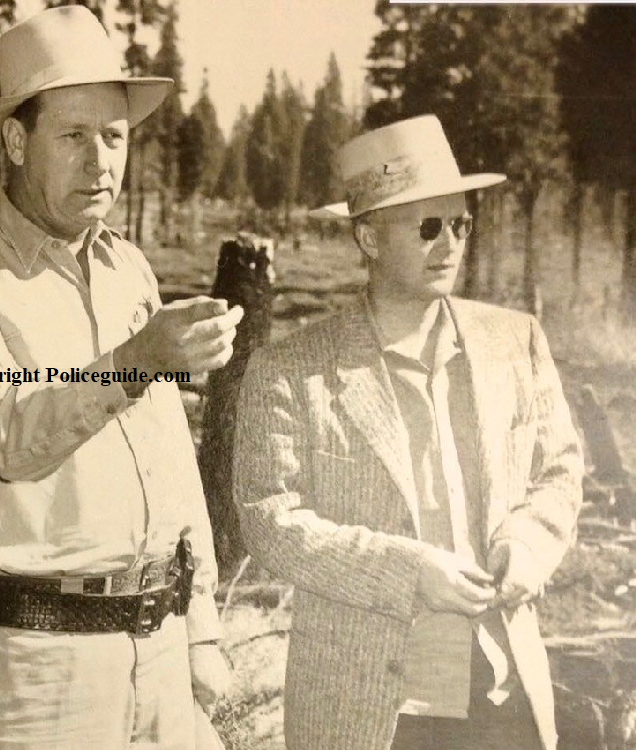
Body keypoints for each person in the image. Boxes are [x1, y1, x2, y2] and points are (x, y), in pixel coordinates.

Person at [0, 7, 237, 749]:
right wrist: (135, 360)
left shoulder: (127, 269)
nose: (100, 162)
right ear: (16, 142)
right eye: (74, 136)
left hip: (159, 650)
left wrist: (201, 625)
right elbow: (6, 436)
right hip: (38, 670)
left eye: (113, 137)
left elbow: (169, 460)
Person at [233, 114, 583, 750]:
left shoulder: (516, 340)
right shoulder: (292, 369)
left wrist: (528, 546)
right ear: (367, 238)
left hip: (505, 696)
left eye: (460, 224)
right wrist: (406, 571)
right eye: (427, 227)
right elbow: (270, 522)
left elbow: (559, 470)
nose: (448, 243)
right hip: (371, 709)